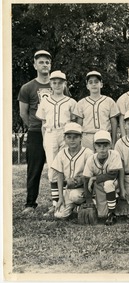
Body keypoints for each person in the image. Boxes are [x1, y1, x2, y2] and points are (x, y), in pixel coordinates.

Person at [36, 70, 77, 216]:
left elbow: (75, 122)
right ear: (50, 84)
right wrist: (44, 140)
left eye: (60, 82)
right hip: (51, 133)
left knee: (66, 167)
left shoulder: (71, 102)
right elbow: (43, 123)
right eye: (54, 82)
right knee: (53, 168)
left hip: (66, 133)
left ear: (65, 84)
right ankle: (55, 204)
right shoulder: (45, 101)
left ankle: (67, 201)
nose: (57, 85)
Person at [18, 50, 52, 214]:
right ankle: (30, 204)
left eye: (47, 62)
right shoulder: (28, 87)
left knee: (58, 167)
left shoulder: (59, 85)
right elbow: (23, 113)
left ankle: (59, 202)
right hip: (36, 132)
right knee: (34, 168)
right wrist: (34, 126)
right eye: (41, 62)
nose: (44, 65)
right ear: (35, 65)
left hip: (54, 132)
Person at [50, 122, 94, 219]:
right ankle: (75, 207)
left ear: (81, 138)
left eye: (75, 137)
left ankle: (87, 203)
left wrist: (78, 180)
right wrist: (60, 197)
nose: (72, 140)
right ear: (64, 138)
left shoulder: (88, 153)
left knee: (75, 196)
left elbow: (92, 174)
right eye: (69, 137)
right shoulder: (61, 153)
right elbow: (60, 175)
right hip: (69, 189)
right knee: (59, 215)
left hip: (84, 188)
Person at [83, 130, 124, 225]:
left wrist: (94, 178)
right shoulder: (91, 159)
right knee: (102, 215)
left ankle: (112, 214)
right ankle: (113, 204)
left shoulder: (114, 154)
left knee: (108, 183)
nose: (102, 149)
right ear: (95, 147)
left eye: (105, 145)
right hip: (98, 187)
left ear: (110, 145)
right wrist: (88, 200)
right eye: (99, 146)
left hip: (114, 183)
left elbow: (113, 174)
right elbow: (86, 179)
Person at [73, 71, 119, 150]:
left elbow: (113, 122)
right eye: (90, 82)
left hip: (104, 135)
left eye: (96, 82)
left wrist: (114, 141)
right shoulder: (81, 103)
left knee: (104, 160)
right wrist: (79, 142)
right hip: (87, 136)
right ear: (87, 86)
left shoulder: (109, 101)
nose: (93, 84)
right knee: (88, 160)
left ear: (101, 84)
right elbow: (79, 124)